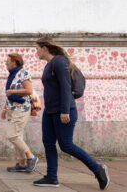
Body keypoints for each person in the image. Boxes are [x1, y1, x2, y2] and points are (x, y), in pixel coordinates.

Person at [33, 37, 110, 190]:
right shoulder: (49, 65)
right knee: (48, 143)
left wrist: (65, 110)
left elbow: (66, 87)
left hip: (63, 112)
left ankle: (98, 169)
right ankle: (52, 177)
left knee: (66, 145)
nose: (36, 52)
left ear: (45, 48)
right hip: (50, 111)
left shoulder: (59, 62)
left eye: (37, 48)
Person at [2, 53, 39, 173]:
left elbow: (29, 90)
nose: (6, 63)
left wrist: (12, 91)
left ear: (14, 61)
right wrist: (5, 108)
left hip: (21, 109)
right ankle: (22, 163)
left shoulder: (23, 72)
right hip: (12, 109)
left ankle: (31, 157)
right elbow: (9, 94)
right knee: (18, 136)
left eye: (7, 61)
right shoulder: (12, 74)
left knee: (12, 135)